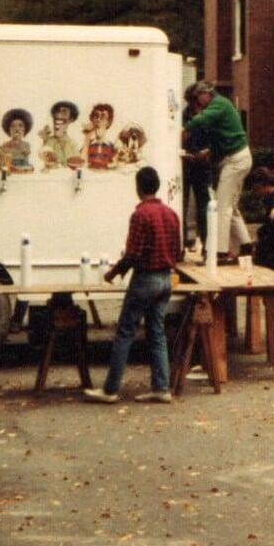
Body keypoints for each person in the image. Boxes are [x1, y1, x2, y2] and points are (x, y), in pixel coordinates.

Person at [84, 166, 182, 404]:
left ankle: (110, 389)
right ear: (156, 185)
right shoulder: (171, 214)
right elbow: (178, 252)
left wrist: (114, 272)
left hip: (145, 278)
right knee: (156, 333)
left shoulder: (140, 215)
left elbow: (133, 254)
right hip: (165, 278)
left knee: (125, 331)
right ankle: (161, 387)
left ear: (138, 187)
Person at [183, 83, 252, 263]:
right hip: (239, 158)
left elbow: (201, 119)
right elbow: (221, 137)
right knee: (231, 206)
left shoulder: (218, 104)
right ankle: (246, 245)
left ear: (205, 94)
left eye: (197, 100)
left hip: (235, 160)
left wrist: (184, 130)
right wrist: (208, 152)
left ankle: (220, 252)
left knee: (222, 206)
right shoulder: (221, 104)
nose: (198, 105)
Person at [180, 83, 213, 254]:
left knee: (204, 205)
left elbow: (215, 139)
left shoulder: (208, 115)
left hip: (203, 164)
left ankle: (207, 244)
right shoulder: (185, 114)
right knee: (182, 203)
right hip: (187, 162)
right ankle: (183, 242)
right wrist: (185, 152)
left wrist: (206, 151)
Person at [39, 100, 83, 170]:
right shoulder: (49, 140)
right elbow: (45, 158)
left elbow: (77, 162)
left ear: (70, 120)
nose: (59, 113)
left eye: (64, 111)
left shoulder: (72, 143)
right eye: (58, 111)